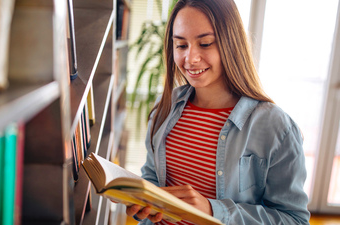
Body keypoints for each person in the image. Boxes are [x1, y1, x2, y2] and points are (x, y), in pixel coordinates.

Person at [126, 0, 311, 224]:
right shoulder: (166, 107)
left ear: (231, 44)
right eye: (181, 45)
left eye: (205, 44)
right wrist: (143, 202)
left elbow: (294, 219)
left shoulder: (276, 127)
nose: (190, 59)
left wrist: (213, 210)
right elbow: (153, 176)